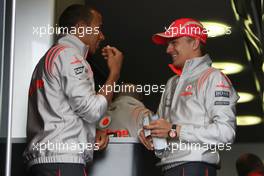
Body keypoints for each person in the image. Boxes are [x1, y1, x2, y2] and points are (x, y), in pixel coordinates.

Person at [23, 4, 123, 176]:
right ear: (80, 28)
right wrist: (114, 73)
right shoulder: (69, 56)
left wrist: (91, 133)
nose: (102, 35)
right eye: (98, 28)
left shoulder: (47, 58)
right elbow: (92, 110)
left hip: (44, 162)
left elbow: (59, 112)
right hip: (63, 163)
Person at [138, 18, 239, 176]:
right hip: (168, 167)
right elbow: (164, 127)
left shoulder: (213, 77)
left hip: (195, 167)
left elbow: (226, 133)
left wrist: (174, 131)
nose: (168, 50)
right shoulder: (172, 82)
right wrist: (151, 133)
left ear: (194, 43)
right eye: (168, 44)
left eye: (174, 42)